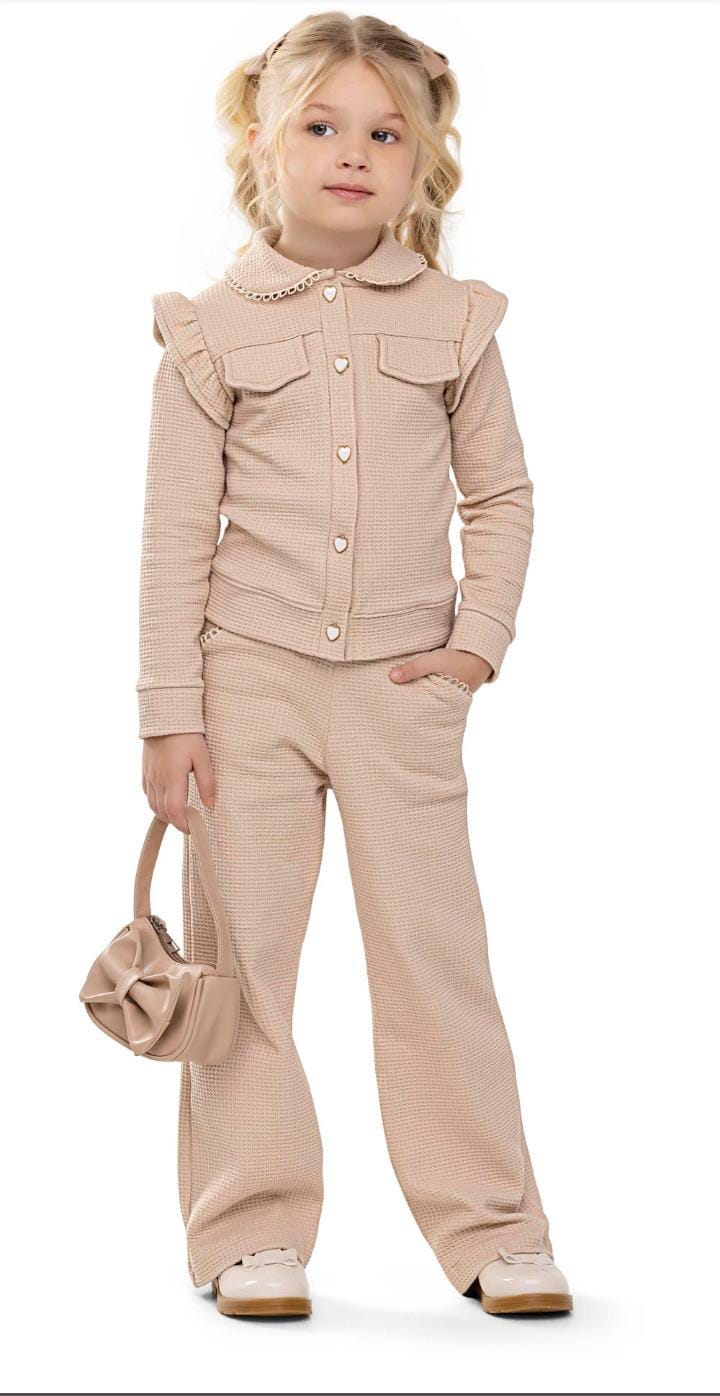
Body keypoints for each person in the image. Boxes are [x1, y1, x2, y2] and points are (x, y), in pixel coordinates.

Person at [136, 11, 572, 1320]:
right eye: (322, 126)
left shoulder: (458, 324)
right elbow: (174, 534)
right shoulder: (207, 332)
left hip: (402, 692)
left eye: (385, 134)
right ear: (261, 143)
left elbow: (502, 495)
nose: (352, 153)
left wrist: (474, 647)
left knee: (437, 960)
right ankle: (248, 1230)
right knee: (245, 967)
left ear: (421, 160)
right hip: (245, 689)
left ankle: (494, 1226)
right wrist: (169, 715)